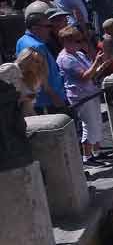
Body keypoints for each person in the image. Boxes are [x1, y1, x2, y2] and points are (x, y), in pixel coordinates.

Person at [55, 26, 107, 164]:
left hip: (91, 92)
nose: (80, 43)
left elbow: (92, 72)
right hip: (80, 96)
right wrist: (96, 62)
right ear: (66, 42)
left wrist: (102, 64)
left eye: (80, 40)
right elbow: (84, 77)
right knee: (88, 124)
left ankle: (97, 151)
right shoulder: (65, 59)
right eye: (77, 41)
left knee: (96, 121)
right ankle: (87, 156)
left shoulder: (80, 54)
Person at [15, 11, 66, 113]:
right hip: (48, 101)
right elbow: (42, 77)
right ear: (35, 28)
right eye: (47, 26)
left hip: (35, 99)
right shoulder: (37, 46)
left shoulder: (21, 40)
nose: (50, 29)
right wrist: (56, 98)